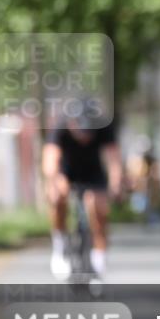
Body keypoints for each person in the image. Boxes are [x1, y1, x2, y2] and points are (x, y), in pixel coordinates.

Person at [42, 107, 123, 279]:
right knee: (56, 199)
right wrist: (56, 180)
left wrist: (116, 184)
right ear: (72, 125)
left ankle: (99, 261)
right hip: (66, 172)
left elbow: (114, 160)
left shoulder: (104, 127)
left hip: (93, 173)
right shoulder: (60, 126)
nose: (85, 138)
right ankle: (60, 245)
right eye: (81, 132)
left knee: (99, 209)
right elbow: (50, 161)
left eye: (89, 133)